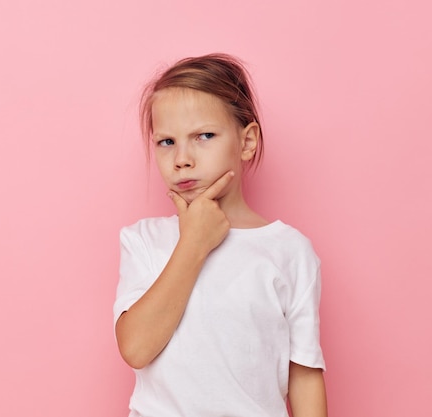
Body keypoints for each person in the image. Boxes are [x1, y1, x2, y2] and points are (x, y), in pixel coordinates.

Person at [113, 53, 327, 417]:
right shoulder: (143, 241)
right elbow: (135, 347)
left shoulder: (289, 250)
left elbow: (304, 375)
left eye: (204, 136)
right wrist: (194, 243)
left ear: (246, 142)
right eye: (167, 142)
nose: (182, 158)